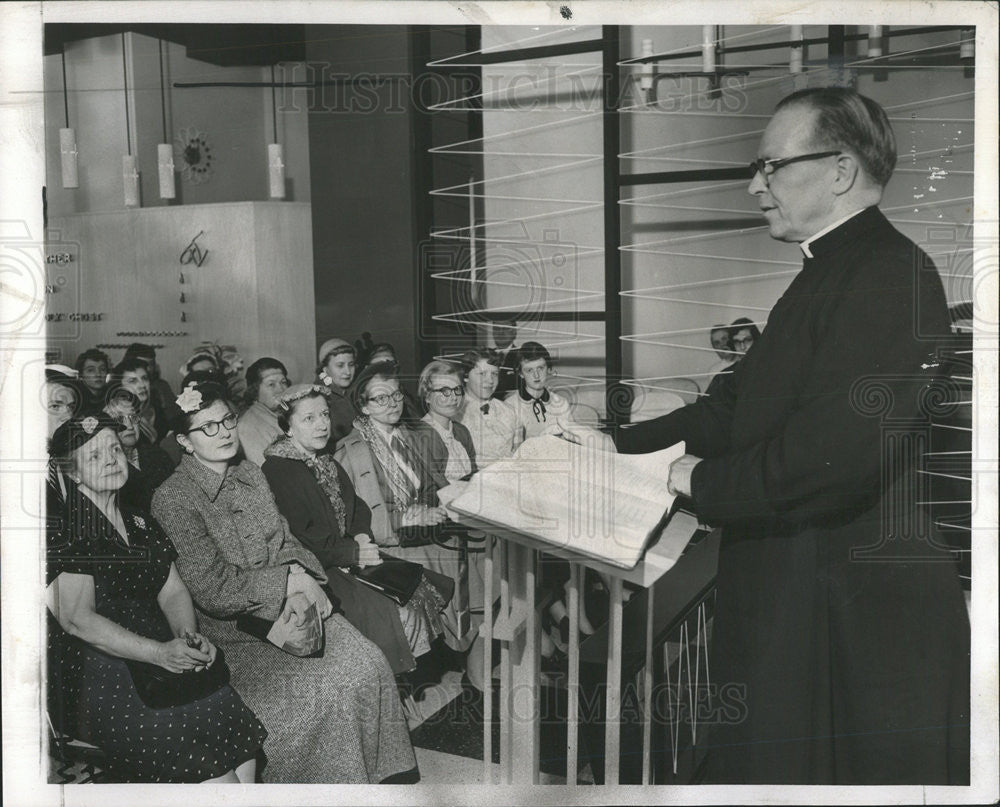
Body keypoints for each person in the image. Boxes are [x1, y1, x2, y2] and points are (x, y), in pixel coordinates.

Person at [617, 87, 969, 785]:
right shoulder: (825, 272)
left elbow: (829, 459)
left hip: (854, 620)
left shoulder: (891, 275)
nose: (755, 185)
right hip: (805, 591)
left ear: (839, 170)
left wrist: (693, 479)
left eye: (770, 165)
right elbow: (731, 410)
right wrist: (611, 446)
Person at [151, 380, 417, 783]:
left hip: (296, 600)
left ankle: (383, 783)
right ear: (185, 442)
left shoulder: (251, 475)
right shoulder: (173, 499)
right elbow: (213, 589)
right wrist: (288, 581)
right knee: (322, 696)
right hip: (236, 631)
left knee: (368, 662)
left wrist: (303, 578)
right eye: (207, 427)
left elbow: (287, 539)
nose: (223, 432)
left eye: (226, 420)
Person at [45, 412, 266, 782]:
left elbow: (173, 588)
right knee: (219, 779)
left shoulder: (139, 520)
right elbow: (76, 619)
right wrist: (160, 653)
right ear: (74, 473)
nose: (112, 459)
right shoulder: (71, 530)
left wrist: (186, 636)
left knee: (242, 753)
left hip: (159, 655)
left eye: (114, 449)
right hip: (102, 671)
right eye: (95, 456)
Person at [261, 384, 451, 678]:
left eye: (324, 414)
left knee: (417, 587)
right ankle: (390, 682)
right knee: (392, 612)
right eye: (308, 419)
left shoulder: (323, 459)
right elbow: (298, 539)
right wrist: (353, 551)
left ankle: (403, 682)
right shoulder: (279, 470)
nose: (322, 424)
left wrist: (362, 534)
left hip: (348, 555)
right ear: (288, 428)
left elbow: (359, 508)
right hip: (316, 569)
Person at [335, 362, 483, 656]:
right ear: (364, 407)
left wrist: (431, 508)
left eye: (396, 395)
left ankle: (472, 647)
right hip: (390, 542)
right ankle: (465, 648)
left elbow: (429, 485)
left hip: (423, 527)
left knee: (484, 548)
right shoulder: (351, 450)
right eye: (381, 398)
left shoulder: (408, 435)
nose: (392, 404)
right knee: (466, 561)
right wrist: (403, 517)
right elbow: (352, 521)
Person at [504, 341, 612, 450]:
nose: (536, 375)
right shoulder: (509, 406)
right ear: (521, 374)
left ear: (549, 369)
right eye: (529, 370)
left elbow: (569, 444)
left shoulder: (561, 403)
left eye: (540, 368)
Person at [103, 386, 176, 512]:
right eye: (120, 419)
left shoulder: (157, 454)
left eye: (133, 417)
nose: (130, 426)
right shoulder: (107, 467)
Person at [456, 348, 523, 466]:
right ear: (465, 376)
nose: (490, 380)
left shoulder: (510, 411)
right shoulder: (454, 413)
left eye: (494, 374)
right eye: (482, 374)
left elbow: (519, 455)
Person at [237, 357, 290, 466]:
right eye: (271, 384)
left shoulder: (286, 414)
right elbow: (266, 473)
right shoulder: (248, 426)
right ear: (255, 391)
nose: (281, 389)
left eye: (283, 382)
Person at [110, 357, 169, 445]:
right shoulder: (115, 415)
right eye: (133, 381)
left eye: (144, 378)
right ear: (120, 387)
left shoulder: (158, 411)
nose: (142, 385)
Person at [315, 337, 359, 443]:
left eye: (351, 365)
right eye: (340, 365)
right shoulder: (319, 398)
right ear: (325, 369)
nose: (347, 372)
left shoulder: (354, 392)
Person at [123, 343, 175, 416]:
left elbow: (175, 415)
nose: (149, 369)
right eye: (143, 364)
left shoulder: (162, 386)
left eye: (152, 364)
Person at [489, 317, 520, 399]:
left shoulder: (522, 357)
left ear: (514, 332)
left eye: (506, 329)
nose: (501, 333)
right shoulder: (485, 356)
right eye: (496, 328)